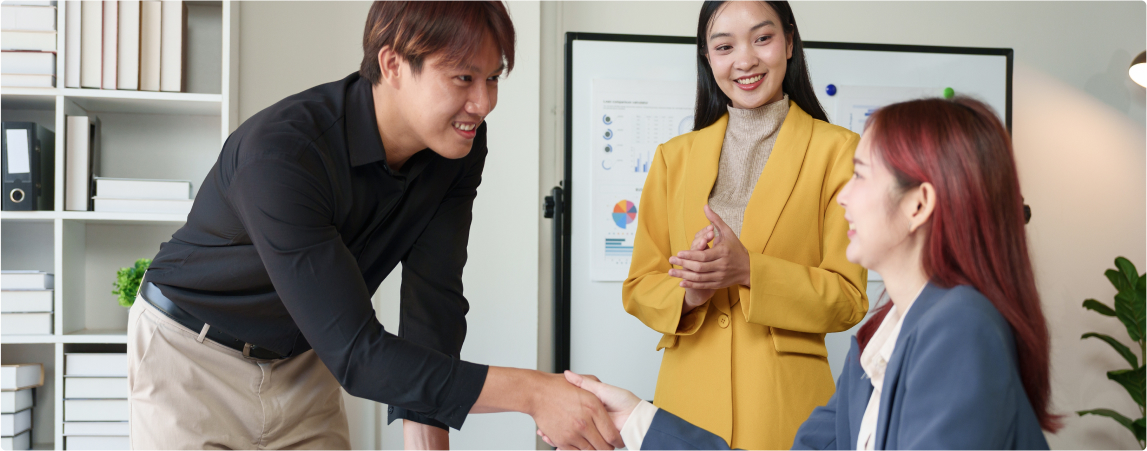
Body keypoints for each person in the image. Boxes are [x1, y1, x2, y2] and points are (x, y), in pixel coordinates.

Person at [127, 2, 621, 450]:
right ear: (393, 64)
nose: (484, 102)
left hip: (303, 362)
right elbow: (358, 355)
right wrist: (534, 393)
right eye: (463, 78)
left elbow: (434, 302)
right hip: (191, 357)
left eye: (493, 78)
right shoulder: (283, 153)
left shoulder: (458, 148)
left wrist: (428, 444)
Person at [547, 97, 1060, 450]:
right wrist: (635, 417)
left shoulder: (959, 328)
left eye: (860, 175)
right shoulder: (880, 339)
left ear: (918, 204)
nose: (841, 196)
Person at [621, 1, 867, 448]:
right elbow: (638, 286)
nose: (745, 60)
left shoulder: (841, 153)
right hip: (686, 406)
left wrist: (749, 271)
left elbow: (849, 299)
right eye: (724, 46)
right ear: (707, 57)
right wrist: (690, 295)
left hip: (789, 411)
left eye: (763, 38)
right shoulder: (672, 159)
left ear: (789, 42)